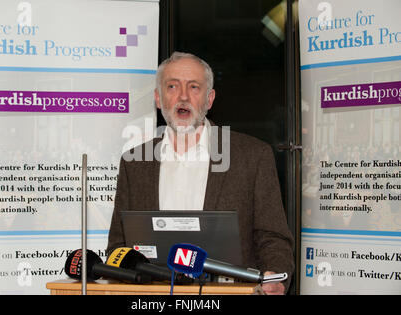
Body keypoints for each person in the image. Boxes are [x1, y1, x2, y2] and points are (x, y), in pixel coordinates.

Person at [107, 52, 294, 294]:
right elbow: (118, 246)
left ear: (209, 99)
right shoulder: (134, 163)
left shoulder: (252, 156)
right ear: (157, 97)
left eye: (194, 87)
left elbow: (273, 237)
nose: (183, 96)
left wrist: (275, 276)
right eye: (172, 86)